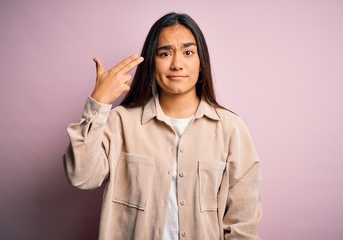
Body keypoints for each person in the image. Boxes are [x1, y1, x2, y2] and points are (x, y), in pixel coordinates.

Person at [63, 12, 262, 240]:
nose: (177, 64)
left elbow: (243, 223)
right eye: (165, 53)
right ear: (151, 61)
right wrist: (98, 102)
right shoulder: (120, 122)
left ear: (201, 63)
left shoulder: (232, 129)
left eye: (188, 52)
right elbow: (81, 176)